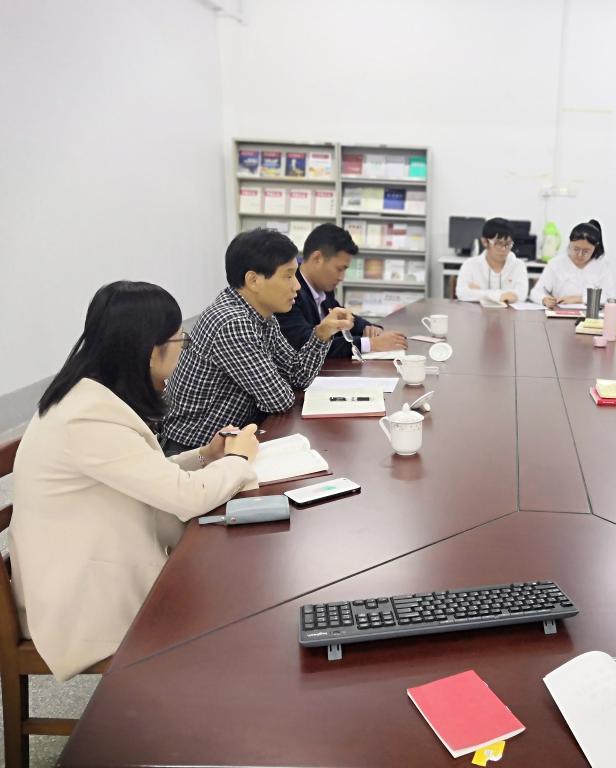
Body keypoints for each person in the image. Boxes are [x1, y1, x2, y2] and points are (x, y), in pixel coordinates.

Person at [9, 281, 260, 681]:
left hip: (91, 564)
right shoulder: (86, 416)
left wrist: (205, 456)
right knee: (236, 605)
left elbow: (140, 471)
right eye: (179, 340)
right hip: (82, 596)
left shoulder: (89, 393)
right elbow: (186, 497)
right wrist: (237, 458)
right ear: (149, 350)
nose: (183, 349)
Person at [162, 228, 354, 452]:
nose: (297, 285)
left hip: (228, 442)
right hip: (193, 452)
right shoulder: (233, 322)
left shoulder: (262, 315)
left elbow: (297, 375)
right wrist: (281, 381)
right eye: (288, 276)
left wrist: (321, 334)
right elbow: (279, 399)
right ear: (253, 280)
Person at [277, 223, 407, 359]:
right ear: (317, 258)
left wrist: (367, 328)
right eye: (339, 269)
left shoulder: (323, 288)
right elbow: (306, 344)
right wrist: (370, 344)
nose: (341, 277)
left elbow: (341, 316)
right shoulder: (289, 293)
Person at [528, 219, 615, 307]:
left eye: (586, 251)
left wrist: (579, 299)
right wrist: (544, 299)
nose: (580, 255)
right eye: (576, 249)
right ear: (570, 243)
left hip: (591, 314)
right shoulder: (555, 264)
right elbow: (535, 292)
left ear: (595, 247)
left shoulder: (603, 267)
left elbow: (609, 298)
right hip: (560, 312)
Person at [455, 217, 528, 304]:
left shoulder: (518, 265)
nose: (504, 249)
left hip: (509, 313)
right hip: (478, 312)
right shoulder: (470, 264)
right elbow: (461, 293)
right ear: (484, 242)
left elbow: (521, 296)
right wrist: (500, 296)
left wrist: (478, 293)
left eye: (508, 244)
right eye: (498, 243)